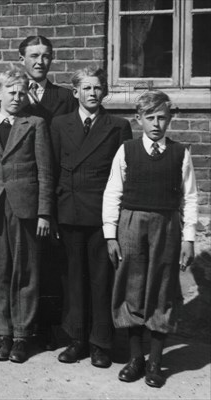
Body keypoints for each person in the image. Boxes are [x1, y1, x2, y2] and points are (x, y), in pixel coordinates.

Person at [103, 90, 197, 388]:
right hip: (131, 224)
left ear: (170, 119)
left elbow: (191, 198)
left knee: (162, 289)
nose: (157, 124)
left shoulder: (180, 152)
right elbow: (112, 192)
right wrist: (110, 234)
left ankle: (156, 361)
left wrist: (189, 238)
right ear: (139, 119)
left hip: (166, 225)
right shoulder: (127, 150)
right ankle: (136, 359)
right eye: (150, 118)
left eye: (162, 118)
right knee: (132, 287)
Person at [50, 67, 132, 368]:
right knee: (73, 278)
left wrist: (116, 219)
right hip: (69, 209)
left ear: (105, 92)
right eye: (86, 88)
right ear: (75, 93)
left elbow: (124, 176)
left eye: (97, 88)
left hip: (102, 212)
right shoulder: (60, 124)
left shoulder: (117, 126)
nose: (92, 93)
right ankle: (77, 339)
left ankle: (101, 342)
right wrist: (52, 212)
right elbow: (52, 169)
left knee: (101, 278)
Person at [0, 66, 53, 363]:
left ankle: (21, 335)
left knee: (26, 271)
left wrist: (44, 212)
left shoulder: (35, 124)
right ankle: (1, 333)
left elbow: (45, 171)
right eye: (11, 92)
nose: (17, 98)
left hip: (25, 207)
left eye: (22, 93)